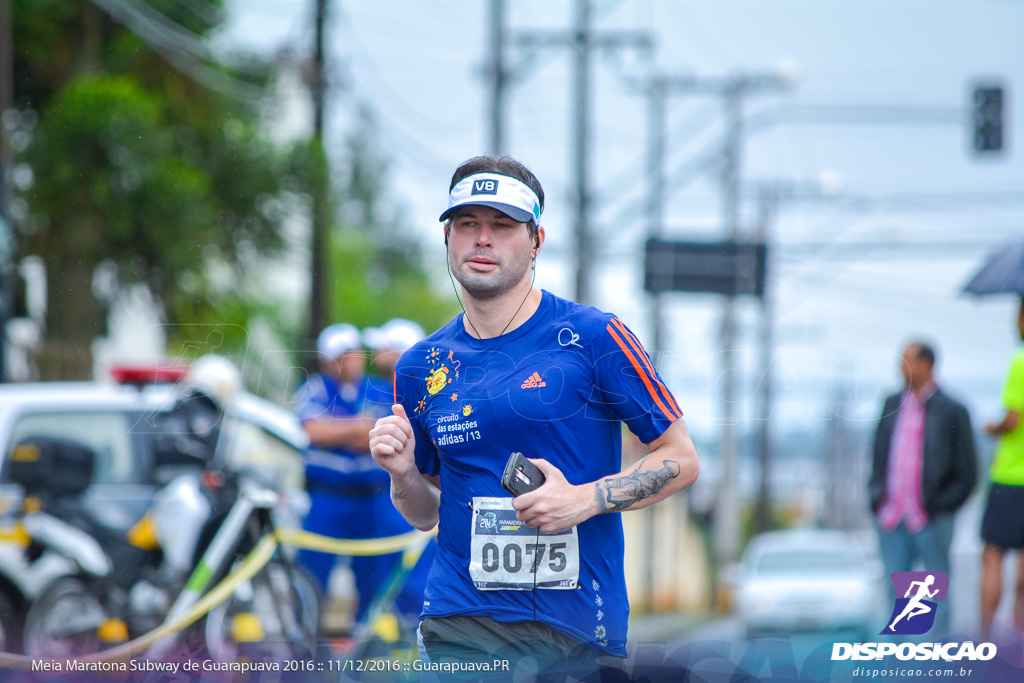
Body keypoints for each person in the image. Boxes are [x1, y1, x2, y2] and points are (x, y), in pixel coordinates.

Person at [368, 155, 699, 675]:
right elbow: (426, 512)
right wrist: (404, 473)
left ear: (537, 240)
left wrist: (583, 500)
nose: (483, 239)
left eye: (502, 226)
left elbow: (681, 459)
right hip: (459, 616)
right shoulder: (421, 365)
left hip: (575, 624)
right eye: (467, 225)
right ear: (448, 238)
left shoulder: (594, 337)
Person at [292, 323, 412, 624]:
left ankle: (365, 636)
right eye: (345, 355)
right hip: (327, 497)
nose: (354, 360)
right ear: (328, 360)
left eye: (356, 353)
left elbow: (380, 434)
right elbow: (314, 431)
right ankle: (305, 632)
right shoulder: (314, 388)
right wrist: (359, 426)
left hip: (370, 499)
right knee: (313, 571)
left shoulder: (379, 388)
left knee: (373, 571)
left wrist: (344, 430)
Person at [868, 341, 977, 634]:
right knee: (898, 595)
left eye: (908, 361)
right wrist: (876, 497)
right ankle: (902, 667)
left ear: (926, 364)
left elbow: (967, 471)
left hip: (932, 516)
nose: (902, 369)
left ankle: (936, 662)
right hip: (892, 515)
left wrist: (943, 505)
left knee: (936, 592)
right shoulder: (892, 404)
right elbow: (877, 456)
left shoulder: (952, 409)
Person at [362, 318, 439, 623]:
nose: (376, 351)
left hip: (416, 489)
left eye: (385, 346)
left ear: (401, 352)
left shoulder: (414, 390)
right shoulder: (383, 387)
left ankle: (412, 634)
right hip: (387, 494)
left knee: (414, 574)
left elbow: (362, 435)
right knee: (387, 574)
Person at [980, 299, 1024, 638]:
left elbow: (1013, 419)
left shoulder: (1020, 362)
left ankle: (984, 639)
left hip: (1012, 476)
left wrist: (992, 428)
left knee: (993, 557)